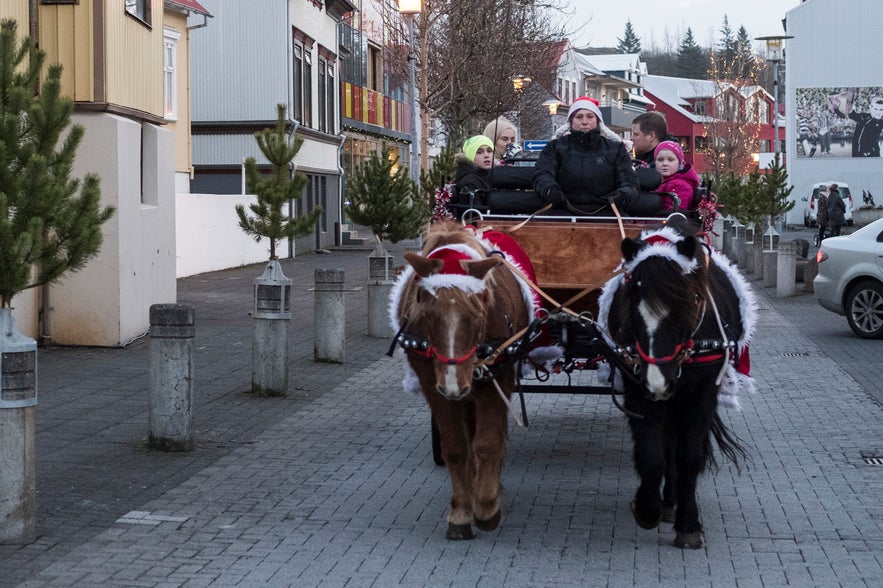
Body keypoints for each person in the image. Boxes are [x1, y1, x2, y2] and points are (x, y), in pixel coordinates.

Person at [533, 96, 639, 213]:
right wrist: (550, 191)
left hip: (607, 209)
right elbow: (543, 174)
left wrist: (623, 196)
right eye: (579, 117)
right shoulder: (554, 147)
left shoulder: (616, 149)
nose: (584, 122)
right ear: (571, 121)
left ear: (597, 120)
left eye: (590, 116)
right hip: (562, 208)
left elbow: (629, 180)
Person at [653, 140, 699, 211]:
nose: (665, 163)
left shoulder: (679, 185)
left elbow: (672, 215)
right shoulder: (658, 182)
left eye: (670, 160)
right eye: (660, 160)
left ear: (680, 163)